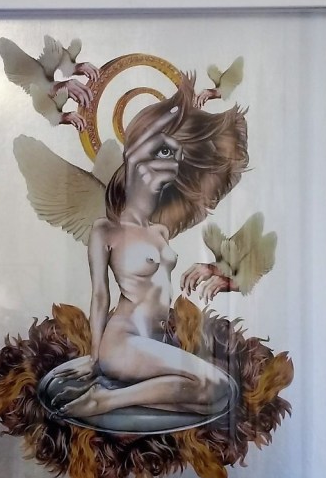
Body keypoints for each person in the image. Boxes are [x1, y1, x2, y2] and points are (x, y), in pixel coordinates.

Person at [49, 75, 248, 420]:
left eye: (177, 154)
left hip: (154, 345)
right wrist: (94, 358)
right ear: (138, 156)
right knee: (217, 387)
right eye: (166, 150)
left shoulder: (160, 231)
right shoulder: (107, 230)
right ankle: (102, 401)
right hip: (123, 341)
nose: (175, 160)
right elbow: (100, 297)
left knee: (219, 397)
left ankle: (110, 398)